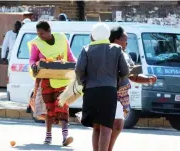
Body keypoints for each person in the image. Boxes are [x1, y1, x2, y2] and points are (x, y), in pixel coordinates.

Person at [75, 23, 129, 151]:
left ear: (93, 36)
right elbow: (125, 71)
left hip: (91, 91)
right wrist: (117, 81)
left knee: (97, 127)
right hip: (109, 91)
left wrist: (84, 82)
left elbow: (78, 70)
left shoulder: (86, 49)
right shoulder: (116, 49)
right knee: (106, 127)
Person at [108, 26, 156, 151]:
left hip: (121, 97)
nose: (127, 43)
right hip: (107, 94)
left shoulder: (126, 55)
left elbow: (133, 76)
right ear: (116, 39)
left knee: (117, 126)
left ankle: (108, 148)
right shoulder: (106, 53)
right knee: (105, 127)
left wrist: (148, 79)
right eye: (125, 40)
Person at [29, 20, 76, 146]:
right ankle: (48, 136)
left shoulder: (61, 38)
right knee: (49, 108)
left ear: (49, 31)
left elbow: (70, 56)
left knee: (63, 107)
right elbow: (32, 59)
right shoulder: (37, 43)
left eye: (42, 34)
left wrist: (77, 67)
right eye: (38, 33)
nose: (39, 36)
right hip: (46, 80)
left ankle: (65, 136)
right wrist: (34, 65)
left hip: (62, 80)